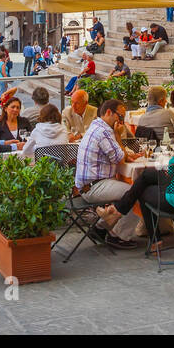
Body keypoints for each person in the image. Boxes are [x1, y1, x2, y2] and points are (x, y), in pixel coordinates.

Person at [96, 123, 174, 254]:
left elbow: (169, 183)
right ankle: (118, 211)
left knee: (143, 191)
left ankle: (155, 239)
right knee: (146, 176)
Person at [74, 98, 141, 249]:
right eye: (121, 116)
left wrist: (124, 153)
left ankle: (100, 228)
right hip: (93, 187)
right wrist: (118, 135)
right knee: (136, 192)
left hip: (89, 185)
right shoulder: (104, 131)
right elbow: (119, 158)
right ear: (109, 112)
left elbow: (118, 156)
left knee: (133, 190)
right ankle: (118, 235)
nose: (122, 121)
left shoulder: (97, 125)